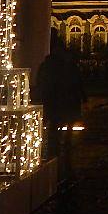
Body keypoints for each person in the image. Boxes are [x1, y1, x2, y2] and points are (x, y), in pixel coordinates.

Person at [33, 30, 84, 160]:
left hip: (53, 99)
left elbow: (42, 81)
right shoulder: (65, 66)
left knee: (55, 124)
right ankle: (60, 147)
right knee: (60, 123)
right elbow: (74, 81)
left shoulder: (49, 65)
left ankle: (54, 148)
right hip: (61, 99)